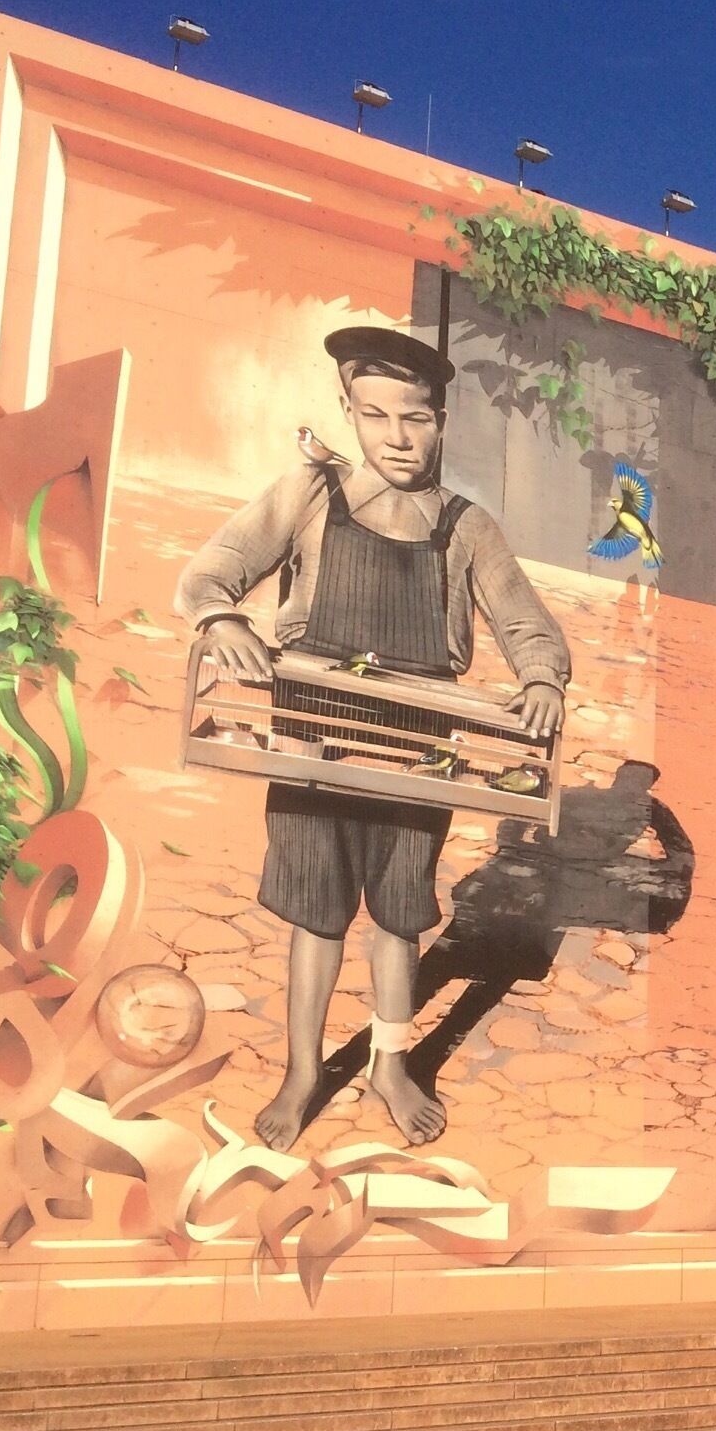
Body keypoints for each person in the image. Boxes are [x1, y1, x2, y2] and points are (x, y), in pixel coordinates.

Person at [175, 326, 570, 1149]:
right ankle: (302, 1073)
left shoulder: (466, 528)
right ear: (349, 412)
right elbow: (213, 570)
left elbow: (526, 621)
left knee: (398, 918)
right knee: (316, 914)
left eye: (416, 418)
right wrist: (221, 617)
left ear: (442, 420)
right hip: (313, 736)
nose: (397, 436)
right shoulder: (313, 495)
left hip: (417, 748)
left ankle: (389, 1067)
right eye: (377, 415)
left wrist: (541, 678)